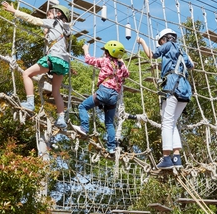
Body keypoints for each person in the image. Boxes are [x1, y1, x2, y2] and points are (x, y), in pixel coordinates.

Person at [2, 1, 71, 129]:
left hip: (53, 58)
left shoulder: (53, 22)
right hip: (63, 62)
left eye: (50, 14)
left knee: (26, 73)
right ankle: (61, 118)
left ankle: (30, 102)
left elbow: (33, 20)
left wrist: (14, 12)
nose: (48, 16)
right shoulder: (66, 29)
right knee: (56, 91)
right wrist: (46, 33)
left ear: (58, 14)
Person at [138, 28, 194, 170]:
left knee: (166, 122)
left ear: (165, 39)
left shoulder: (168, 45)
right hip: (185, 90)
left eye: (160, 42)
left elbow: (152, 54)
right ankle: (176, 157)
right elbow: (191, 65)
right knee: (172, 122)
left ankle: (166, 157)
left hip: (172, 86)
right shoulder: (181, 50)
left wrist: (142, 42)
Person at [73, 40, 130, 154]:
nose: (104, 53)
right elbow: (127, 74)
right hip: (114, 96)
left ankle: (84, 128)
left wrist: (85, 50)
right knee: (109, 123)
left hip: (104, 91)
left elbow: (89, 60)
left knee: (83, 107)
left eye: (106, 51)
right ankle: (111, 147)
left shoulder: (105, 61)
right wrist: (121, 61)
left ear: (108, 53)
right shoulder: (121, 65)